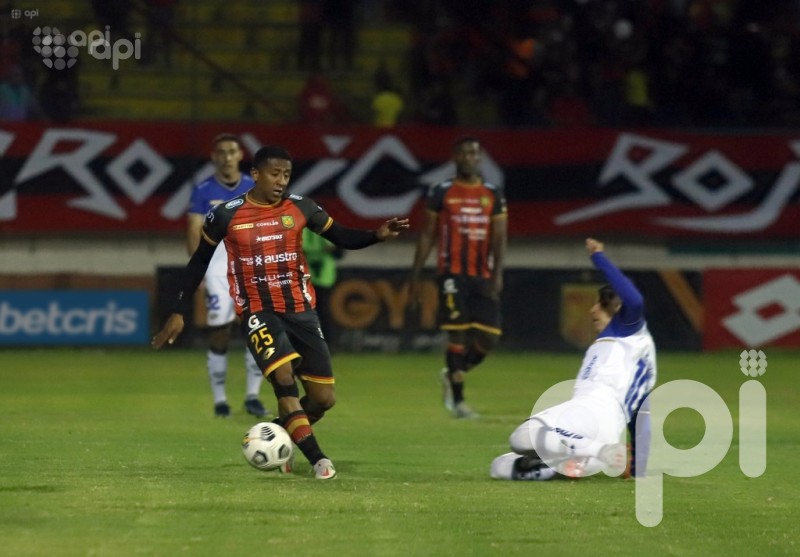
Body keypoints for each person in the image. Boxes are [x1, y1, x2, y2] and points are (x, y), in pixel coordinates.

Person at [154, 145, 409, 480]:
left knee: (323, 398)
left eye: (286, 174)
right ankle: (319, 460)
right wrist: (179, 310)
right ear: (256, 175)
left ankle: (276, 435)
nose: (281, 181)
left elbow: (341, 236)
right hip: (258, 311)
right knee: (284, 379)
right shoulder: (226, 215)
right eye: (275, 174)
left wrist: (377, 235)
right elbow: (198, 261)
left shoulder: (301, 207)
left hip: (301, 310)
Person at [490, 238, 657, 481]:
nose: (592, 311)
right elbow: (642, 420)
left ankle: (597, 452)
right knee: (499, 467)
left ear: (617, 309)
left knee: (521, 438)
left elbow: (635, 301)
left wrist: (599, 257)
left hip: (589, 414)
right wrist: (638, 469)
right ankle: (580, 459)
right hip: (602, 429)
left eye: (598, 305)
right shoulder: (640, 358)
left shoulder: (627, 331)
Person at [409, 136, 507, 419]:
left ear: (480, 158)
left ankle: (454, 372)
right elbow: (427, 234)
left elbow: (500, 238)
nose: (468, 158)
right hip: (451, 273)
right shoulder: (441, 191)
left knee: (490, 337)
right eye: (463, 153)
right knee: (458, 332)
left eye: (474, 153)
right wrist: (415, 275)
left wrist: (498, 273)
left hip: (482, 274)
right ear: (455, 157)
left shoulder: (493, 193)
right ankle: (460, 402)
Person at [187, 133, 268, 419]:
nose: (226, 157)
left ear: (240, 155)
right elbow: (194, 232)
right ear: (214, 156)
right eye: (221, 152)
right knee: (220, 332)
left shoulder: (255, 187)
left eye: (232, 151)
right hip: (218, 270)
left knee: (256, 331)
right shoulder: (203, 190)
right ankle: (220, 400)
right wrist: (198, 272)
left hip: (252, 269)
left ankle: (252, 396)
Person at [302, 227, 342, 351]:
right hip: (308, 276)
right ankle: (316, 344)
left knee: (321, 311)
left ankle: (326, 344)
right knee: (311, 312)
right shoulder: (307, 225)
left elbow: (337, 249)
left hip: (321, 276)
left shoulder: (320, 226)